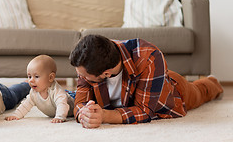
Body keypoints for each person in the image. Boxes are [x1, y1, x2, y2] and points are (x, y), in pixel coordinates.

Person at [69, 34, 224, 129]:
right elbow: (80, 101)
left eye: (85, 77)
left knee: (200, 92)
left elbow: (144, 111)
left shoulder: (149, 57)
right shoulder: (90, 61)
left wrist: (104, 116)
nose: (82, 78)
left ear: (106, 73)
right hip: (143, 83)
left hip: (167, 90)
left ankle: (212, 81)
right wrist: (84, 113)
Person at [5, 55, 75, 123]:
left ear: (50, 78)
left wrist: (59, 117)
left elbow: (62, 104)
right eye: (29, 76)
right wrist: (16, 115)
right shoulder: (34, 92)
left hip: (73, 103)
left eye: (36, 76)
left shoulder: (57, 91)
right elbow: (25, 105)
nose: (31, 80)